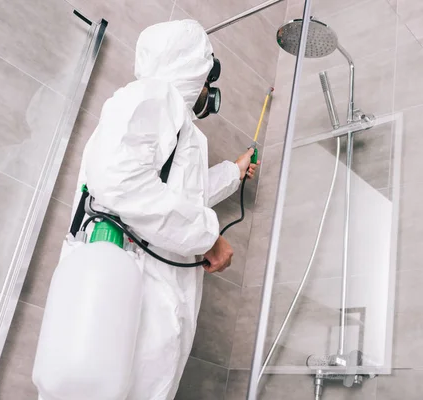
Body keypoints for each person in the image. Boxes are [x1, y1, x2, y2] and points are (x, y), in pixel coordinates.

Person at [71, 19, 258, 399]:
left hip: (144, 286)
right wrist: (208, 239)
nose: (208, 90)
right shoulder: (153, 97)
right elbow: (118, 180)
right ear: (192, 67)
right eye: (206, 78)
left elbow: (176, 193)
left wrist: (234, 173)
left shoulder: (169, 119)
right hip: (132, 286)